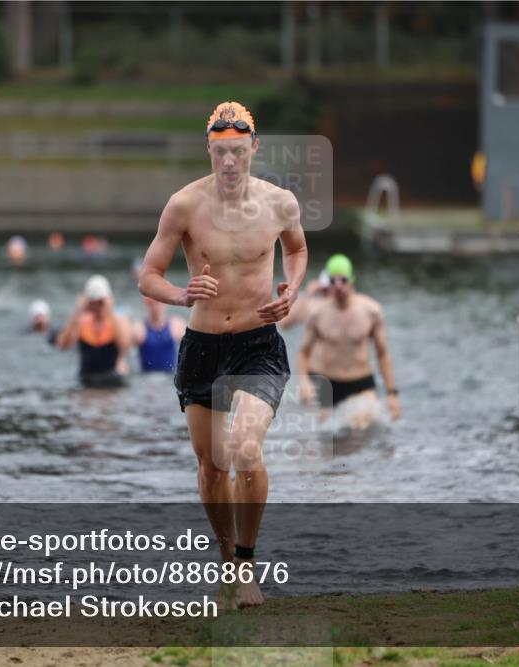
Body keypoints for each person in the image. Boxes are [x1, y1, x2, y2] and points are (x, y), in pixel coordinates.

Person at [138, 101, 307, 609]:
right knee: (212, 466)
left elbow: (296, 250)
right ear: (208, 150)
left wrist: (292, 289)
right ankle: (228, 561)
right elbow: (148, 274)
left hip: (259, 344)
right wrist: (180, 295)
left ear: (254, 148)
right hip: (203, 346)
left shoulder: (280, 203)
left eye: (237, 151)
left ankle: (248, 566)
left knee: (245, 450)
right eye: (219, 153)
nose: (229, 163)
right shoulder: (184, 205)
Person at [297, 254, 401, 429]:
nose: (339, 286)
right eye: (333, 281)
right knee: (323, 436)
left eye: (343, 280)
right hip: (326, 383)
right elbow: (303, 352)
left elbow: (382, 354)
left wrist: (392, 393)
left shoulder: (371, 311)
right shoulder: (317, 314)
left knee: (362, 426)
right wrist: (304, 381)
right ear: (328, 283)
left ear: (352, 279)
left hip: (360, 381)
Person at [56, 275, 131, 387]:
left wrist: (110, 309)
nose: (96, 306)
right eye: (93, 301)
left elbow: (124, 347)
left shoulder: (119, 321)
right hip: (86, 378)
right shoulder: (81, 321)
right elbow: (63, 345)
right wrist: (78, 311)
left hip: (111, 377)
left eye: (100, 302)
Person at [133, 296, 186, 372]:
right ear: (147, 304)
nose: (155, 307)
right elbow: (122, 354)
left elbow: (192, 350)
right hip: (146, 378)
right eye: (152, 304)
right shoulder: (139, 328)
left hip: (169, 378)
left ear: (165, 304)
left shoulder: (177, 325)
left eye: (158, 303)